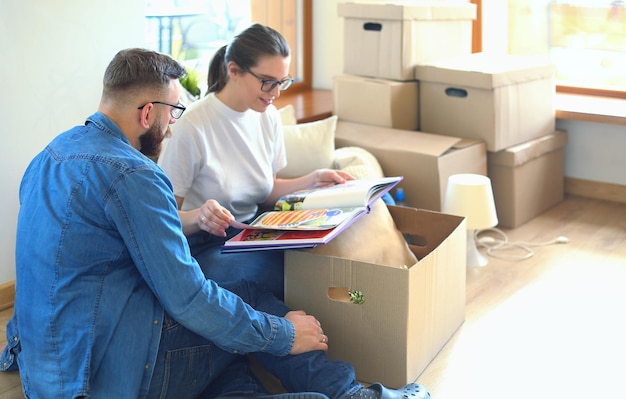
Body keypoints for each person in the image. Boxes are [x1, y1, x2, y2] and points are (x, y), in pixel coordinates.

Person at [0, 48, 430, 399]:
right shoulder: (134, 173)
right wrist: (284, 334)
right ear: (147, 112)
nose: (171, 128)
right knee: (241, 302)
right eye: (172, 113)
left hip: (47, 371)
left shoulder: (51, 155)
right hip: (109, 378)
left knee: (228, 329)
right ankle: (355, 394)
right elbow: (188, 300)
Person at [157, 23, 353, 300]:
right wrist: (200, 217)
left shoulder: (267, 115)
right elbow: (163, 219)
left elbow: (266, 189)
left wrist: (314, 179)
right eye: (267, 81)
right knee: (290, 273)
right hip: (204, 246)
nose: (275, 93)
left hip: (253, 230)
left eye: (282, 82)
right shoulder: (193, 126)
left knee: (325, 249)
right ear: (234, 70)